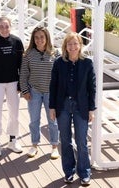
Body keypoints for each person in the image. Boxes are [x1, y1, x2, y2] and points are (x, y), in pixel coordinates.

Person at [49, 32, 96, 186]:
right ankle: (69, 172)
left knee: (81, 140)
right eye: (69, 44)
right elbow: (53, 86)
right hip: (62, 106)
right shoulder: (58, 63)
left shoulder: (87, 63)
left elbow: (92, 87)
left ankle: (84, 173)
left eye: (75, 43)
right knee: (65, 140)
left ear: (80, 45)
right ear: (65, 46)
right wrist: (52, 107)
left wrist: (91, 109)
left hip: (81, 106)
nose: (73, 47)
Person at [0, 16, 24, 156]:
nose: (4, 29)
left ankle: (13, 139)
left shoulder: (17, 42)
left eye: (7, 26)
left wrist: (20, 82)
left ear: (10, 27)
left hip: (13, 82)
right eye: (1, 26)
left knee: (14, 111)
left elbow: (21, 64)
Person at [20, 26, 60, 159]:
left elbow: (61, 74)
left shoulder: (55, 53)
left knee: (52, 121)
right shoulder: (28, 54)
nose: (39, 40)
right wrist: (25, 90)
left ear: (47, 37)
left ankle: (54, 146)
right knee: (34, 120)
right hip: (34, 91)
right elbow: (24, 74)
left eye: (42, 37)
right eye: (36, 37)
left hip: (51, 93)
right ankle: (34, 144)